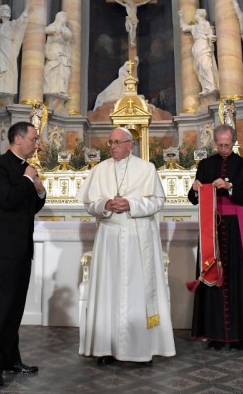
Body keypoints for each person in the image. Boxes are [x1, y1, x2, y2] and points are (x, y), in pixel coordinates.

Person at [78, 127, 175, 365]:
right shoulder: (99, 170)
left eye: (117, 143)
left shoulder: (146, 168)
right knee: (108, 291)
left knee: (136, 292)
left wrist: (130, 203)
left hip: (138, 237)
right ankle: (106, 348)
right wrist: (105, 203)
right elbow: (89, 202)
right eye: (110, 142)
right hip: (109, 238)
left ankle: (142, 349)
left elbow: (158, 201)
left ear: (130, 145)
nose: (112, 147)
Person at [188, 125, 243, 349]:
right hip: (211, 227)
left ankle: (239, 334)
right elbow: (194, 198)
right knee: (212, 277)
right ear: (215, 142)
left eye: (227, 145)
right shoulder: (205, 164)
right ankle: (214, 333)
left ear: (234, 142)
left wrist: (230, 186)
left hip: (236, 228)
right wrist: (195, 189)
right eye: (220, 145)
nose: (223, 149)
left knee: (237, 278)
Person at [0, 122, 46, 388]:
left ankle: (11, 359)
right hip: (2, 248)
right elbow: (7, 200)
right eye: (33, 139)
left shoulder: (25, 169)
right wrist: (28, 179)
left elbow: (29, 206)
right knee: (1, 308)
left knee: (15, 307)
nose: (36, 143)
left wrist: (40, 191)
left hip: (21, 247)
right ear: (18, 139)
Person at [0, 5, 30, 96]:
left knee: (7, 69)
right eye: (4, 9)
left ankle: (6, 88)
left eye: (8, 10)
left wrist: (25, 13)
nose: (7, 11)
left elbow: (20, 23)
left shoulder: (12, 24)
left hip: (8, 49)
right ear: (0, 14)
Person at [179, 8, 219, 95]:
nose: (195, 15)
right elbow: (184, 27)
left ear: (200, 15)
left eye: (196, 14)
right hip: (196, 47)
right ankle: (205, 87)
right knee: (199, 68)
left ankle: (212, 87)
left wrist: (211, 37)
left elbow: (209, 33)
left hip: (203, 45)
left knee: (205, 65)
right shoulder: (195, 27)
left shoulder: (205, 24)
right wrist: (181, 17)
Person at [43, 11, 73, 96]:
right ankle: (52, 91)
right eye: (63, 16)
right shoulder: (53, 26)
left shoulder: (66, 30)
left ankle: (62, 90)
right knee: (52, 71)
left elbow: (69, 36)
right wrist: (56, 29)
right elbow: (46, 30)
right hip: (53, 53)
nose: (65, 18)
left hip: (63, 54)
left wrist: (62, 31)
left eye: (66, 17)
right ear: (58, 17)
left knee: (65, 73)